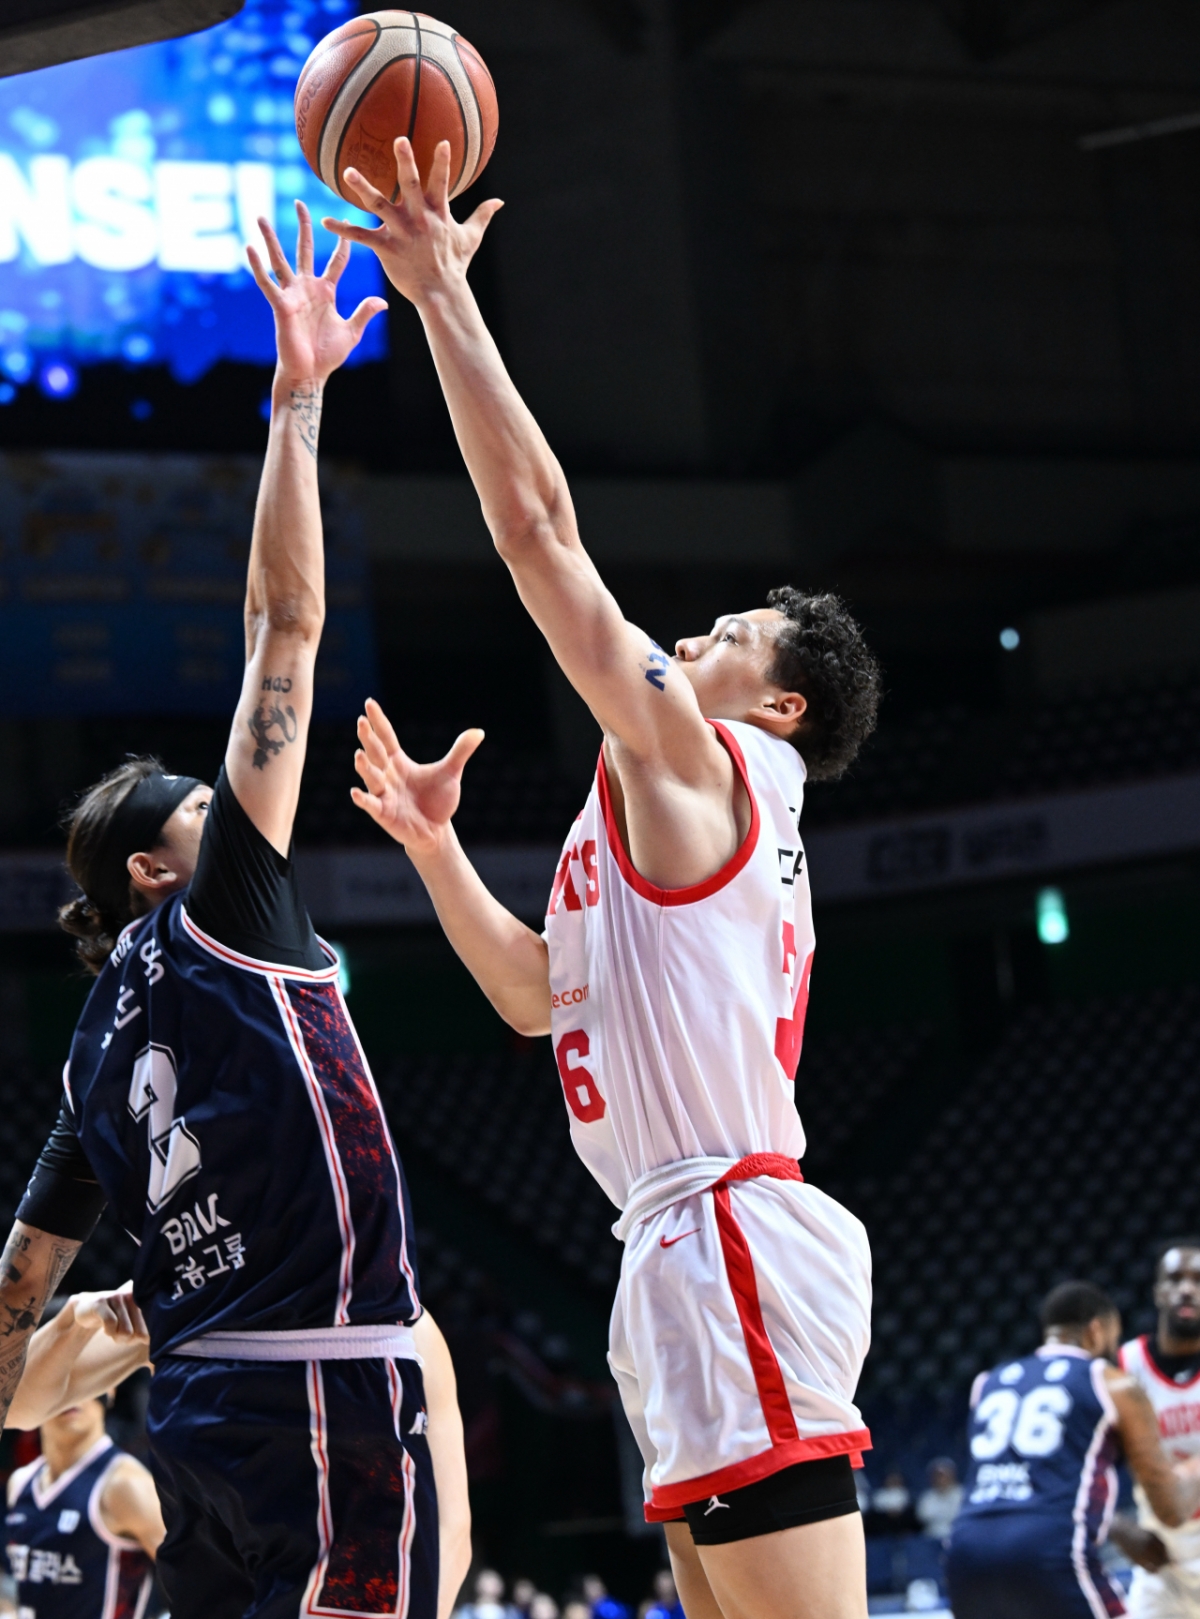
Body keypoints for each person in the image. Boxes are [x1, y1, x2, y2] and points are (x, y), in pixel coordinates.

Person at [327, 136, 882, 1619]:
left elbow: (538, 534)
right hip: (671, 1242)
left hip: (732, 1233)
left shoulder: (712, 768)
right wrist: (438, 850)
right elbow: (528, 996)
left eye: (732, 631)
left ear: (785, 711)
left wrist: (443, 293)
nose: (696, 631)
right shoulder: (645, 808)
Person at [0, 205, 447, 1619]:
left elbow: (21, 1270)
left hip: (193, 1418)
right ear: (155, 864)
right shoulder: (222, 914)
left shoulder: (88, 1052)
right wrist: (296, 399)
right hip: (325, 1389)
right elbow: (286, 627)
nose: (231, 805)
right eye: (199, 801)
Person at [7, 1284, 473, 1619]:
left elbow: (451, 1528)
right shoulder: (185, 1295)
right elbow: (16, 1404)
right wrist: (70, 1321)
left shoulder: (399, 1313)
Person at [947, 1280, 1200, 1619]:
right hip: (1048, 1550)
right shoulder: (1109, 1379)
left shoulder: (987, 1382)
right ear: (1097, 1331)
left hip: (965, 1552)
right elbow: (1170, 1509)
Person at [4, 1358, 164, 1619]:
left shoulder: (125, 1485)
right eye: (59, 1385)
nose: (72, 1395)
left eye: (84, 1383)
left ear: (109, 1390)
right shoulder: (20, 1483)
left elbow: (200, 1579)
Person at [1111, 1240, 1200, 1618]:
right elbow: (1072, 1463)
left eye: (1198, 1279)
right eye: (1175, 1278)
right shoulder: (1123, 1367)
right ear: (1157, 1292)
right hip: (1161, 1561)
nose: (1186, 1288)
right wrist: (1114, 1526)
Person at [915, 1458, 962, 1542]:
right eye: (938, 1475)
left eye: (944, 1475)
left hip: (956, 1536)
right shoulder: (927, 1496)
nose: (941, 1479)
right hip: (932, 1537)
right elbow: (923, 1517)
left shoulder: (961, 1493)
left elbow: (958, 1516)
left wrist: (938, 1514)